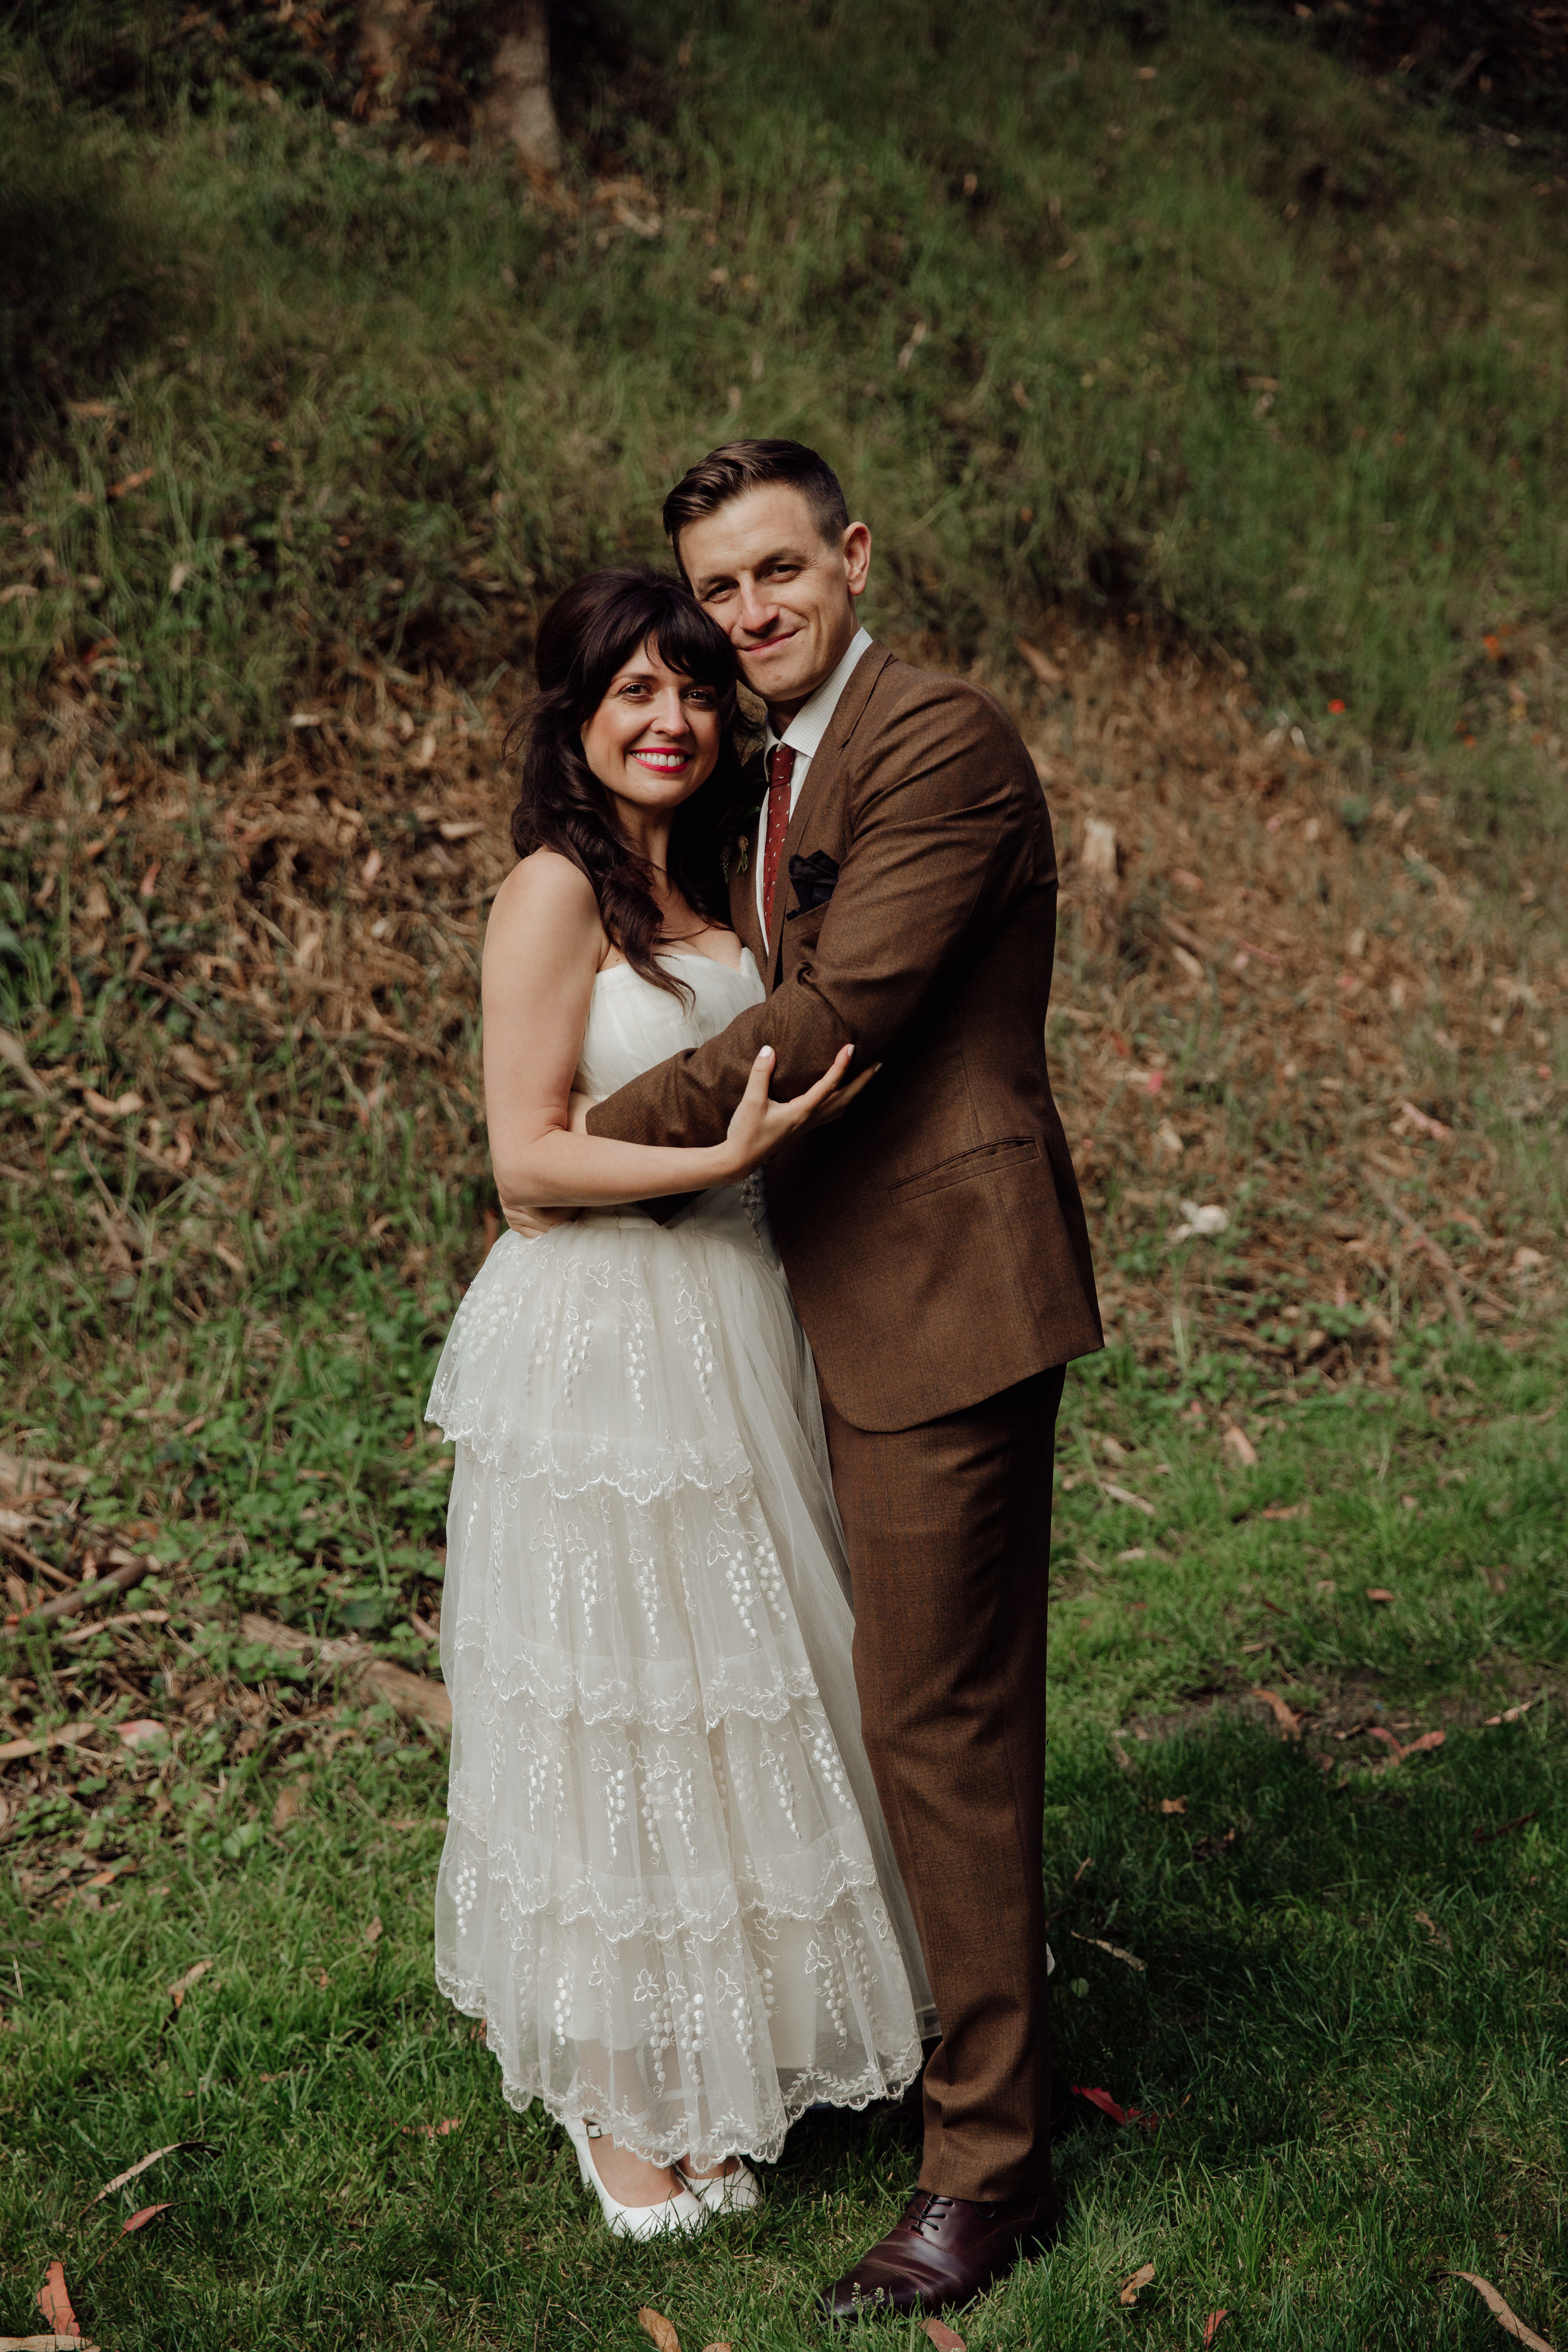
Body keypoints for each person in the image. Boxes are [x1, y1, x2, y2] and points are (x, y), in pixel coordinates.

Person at [581, 442, 1102, 2318]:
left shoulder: (937, 741)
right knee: (835, 1705)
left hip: (937, 1296)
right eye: (719, 590)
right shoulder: (765, 771)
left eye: (778, 572)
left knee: (940, 1734)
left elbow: (833, 1022)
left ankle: (988, 2171)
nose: (749, 614)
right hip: (790, 1300)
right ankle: (902, 2053)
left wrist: (570, 1153)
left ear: (854, 557)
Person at [425, 566, 933, 2243]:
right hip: (597, 1326)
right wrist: (712, 1158)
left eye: (696, 690)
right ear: (578, 721)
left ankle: (740, 2043)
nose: (669, 720)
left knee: (743, 1680)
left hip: (731, 1311)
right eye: (632, 691)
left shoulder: (733, 890)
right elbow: (522, 1157)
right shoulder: (554, 893)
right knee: (615, 1700)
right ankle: (619, 2102)